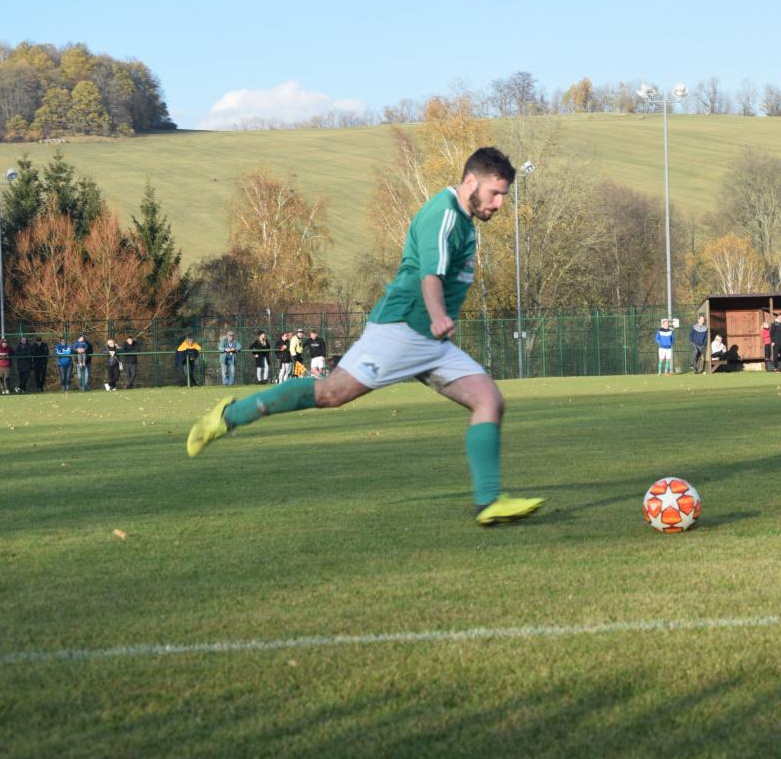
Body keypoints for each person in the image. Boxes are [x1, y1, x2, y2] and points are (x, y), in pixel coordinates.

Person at [187, 146, 543, 526]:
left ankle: (488, 502)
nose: (499, 203)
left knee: (489, 400)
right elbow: (430, 276)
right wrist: (439, 315)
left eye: (503, 195)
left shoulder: (463, 219)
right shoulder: (444, 215)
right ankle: (230, 415)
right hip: (401, 330)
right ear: (471, 181)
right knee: (331, 393)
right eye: (495, 193)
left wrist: (437, 324)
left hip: (431, 341)